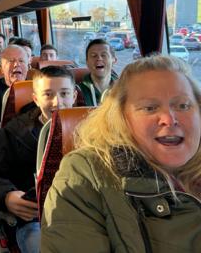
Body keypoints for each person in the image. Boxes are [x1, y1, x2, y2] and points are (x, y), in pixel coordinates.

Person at [41, 55, 201, 252]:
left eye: (183, 105)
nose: (169, 119)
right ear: (121, 119)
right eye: (150, 108)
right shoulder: (85, 176)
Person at [0, 66, 77, 253]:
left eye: (64, 93)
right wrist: (7, 196)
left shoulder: (89, 130)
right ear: (35, 98)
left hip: (81, 216)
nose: (58, 102)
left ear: (74, 96)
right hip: (34, 219)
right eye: (48, 94)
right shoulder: (16, 131)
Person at [78, 38, 118, 106]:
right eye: (93, 56)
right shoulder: (78, 91)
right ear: (87, 62)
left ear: (114, 60)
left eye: (104, 55)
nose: (99, 58)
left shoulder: (124, 89)